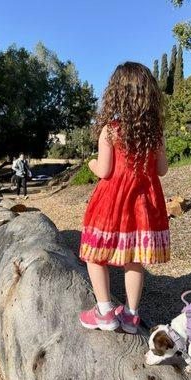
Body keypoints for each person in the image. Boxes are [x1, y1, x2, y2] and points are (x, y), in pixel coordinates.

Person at [78, 62, 170, 334]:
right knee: (135, 258)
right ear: (149, 95)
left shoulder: (111, 130)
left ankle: (105, 311)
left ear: (116, 94)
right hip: (143, 204)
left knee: (95, 254)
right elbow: (162, 170)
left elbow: (105, 171)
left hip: (112, 202)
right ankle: (131, 316)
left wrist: (92, 164)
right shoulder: (155, 133)